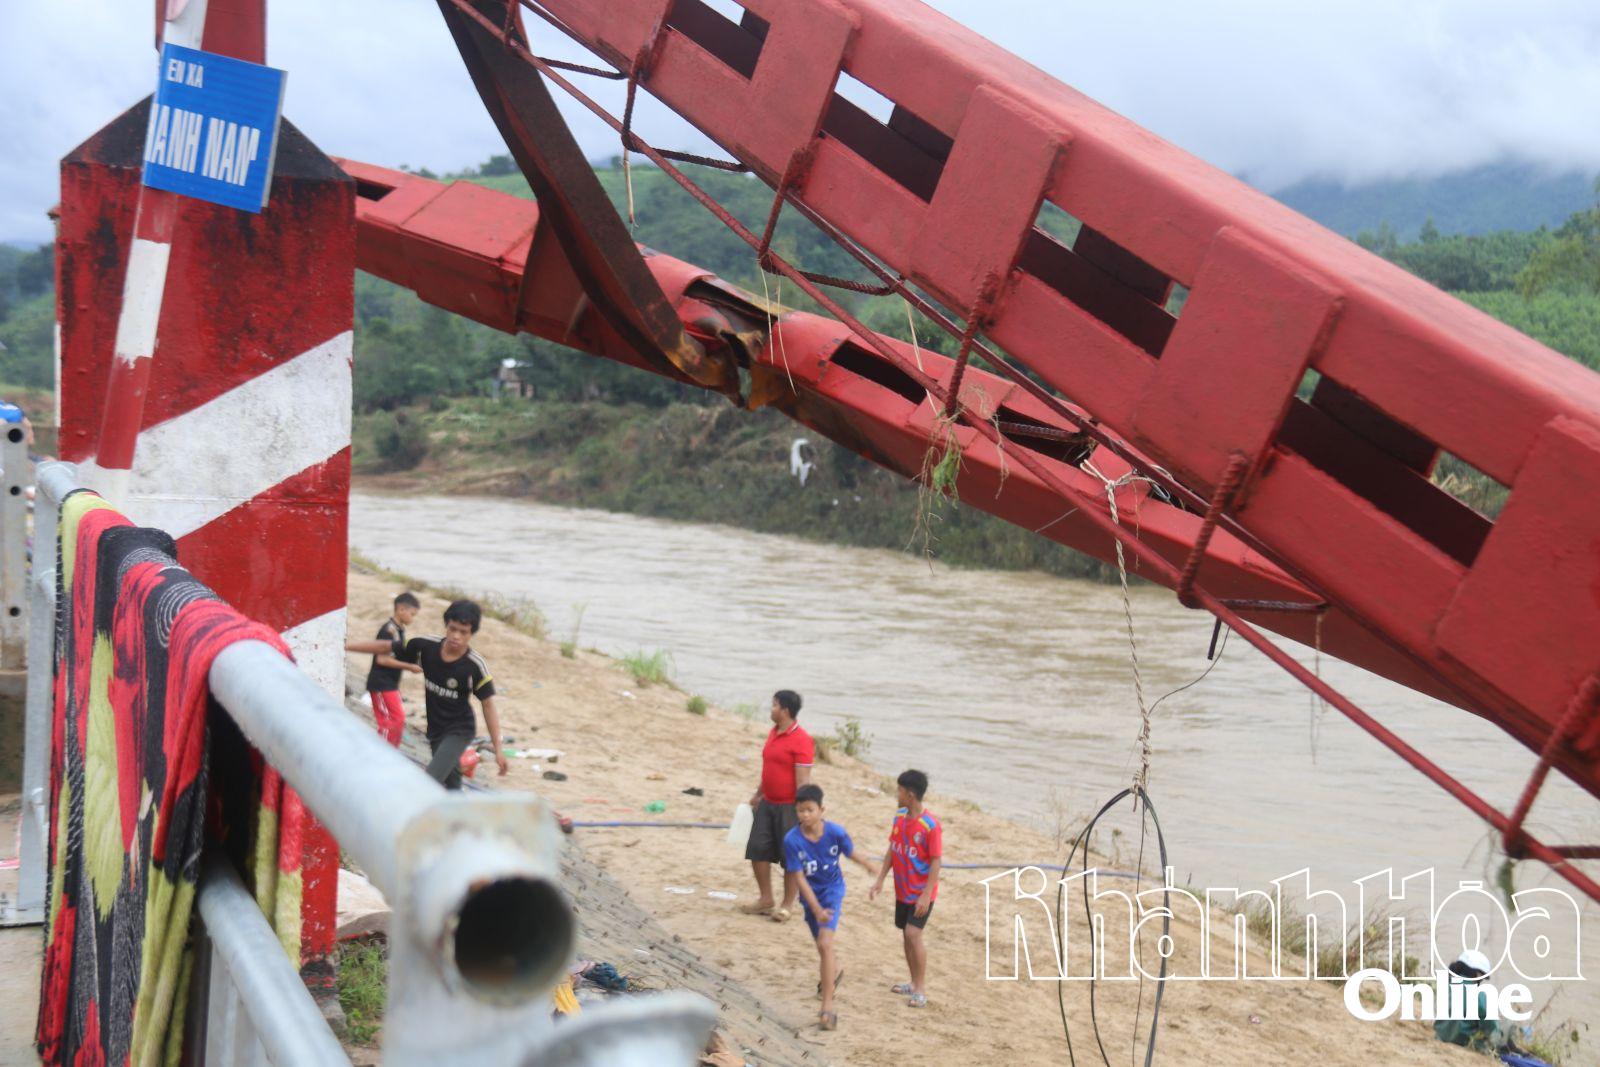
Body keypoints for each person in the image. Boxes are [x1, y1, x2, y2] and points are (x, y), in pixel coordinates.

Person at [346, 599, 507, 788]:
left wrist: (498, 750)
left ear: (471, 633)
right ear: (446, 625)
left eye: (463, 632)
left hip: (459, 730)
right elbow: (385, 647)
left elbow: (488, 705)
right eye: (452, 629)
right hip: (435, 730)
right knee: (451, 785)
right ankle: (459, 815)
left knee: (429, 781)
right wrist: (346, 646)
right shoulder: (426, 647)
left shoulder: (474, 666)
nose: (456, 636)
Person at [783, 783, 876, 1031]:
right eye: (800, 811)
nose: (805, 815)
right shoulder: (792, 840)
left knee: (825, 944)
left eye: (810, 810)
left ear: (821, 809)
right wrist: (815, 908)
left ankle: (827, 1007)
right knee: (823, 949)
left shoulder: (835, 832)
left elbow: (850, 852)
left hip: (832, 892)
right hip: (810, 897)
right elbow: (798, 878)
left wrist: (869, 865)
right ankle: (834, 970)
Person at [869, 768, 942, 1008]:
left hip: (921, 893)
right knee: (905, 935)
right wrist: (880, 879)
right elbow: (893, 848)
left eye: (899, 790)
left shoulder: (930, 826)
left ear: (910, 794)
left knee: (913, 934)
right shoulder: (899, 816)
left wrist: (925, 895)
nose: (896, 794)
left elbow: (935, 862)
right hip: (902, 889)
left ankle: (920, 989)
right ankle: (912, 982)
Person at [741, 689, 813, 922]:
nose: (771, 709)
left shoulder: (801, 740)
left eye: (774, 705)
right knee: (757, 850)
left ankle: (786, 905)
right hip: (767, 802)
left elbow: (803, 780)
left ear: (785, 710)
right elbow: (770, 770)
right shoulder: (774, 733)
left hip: (788, 808)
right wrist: (758, 794)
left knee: (790, 857)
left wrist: (803, 811)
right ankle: (766, 898)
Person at [365, 592, 421, 746]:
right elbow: (382, 659)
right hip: (381, 682)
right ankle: (379, 754)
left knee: (399, 720)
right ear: (401, 609)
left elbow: (395, 654)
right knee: (390, 721)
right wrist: (409, 666)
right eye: (412, 614)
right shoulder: (388, 631)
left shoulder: (399, 630)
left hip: (390, 683)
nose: (412, 618)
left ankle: (391, 754)